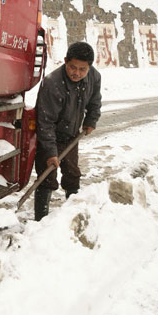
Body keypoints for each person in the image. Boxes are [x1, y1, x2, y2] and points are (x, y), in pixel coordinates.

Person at [34, 41, 102, 221]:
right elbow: (45, 122)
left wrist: (90, 121)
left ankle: (72, 216)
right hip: (49, 136)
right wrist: (50, 152)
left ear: (89, 67)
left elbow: (95, 102)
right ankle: (40, 220)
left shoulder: (94, 77)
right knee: (47, 176)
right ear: (65, 61)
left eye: (82, 69)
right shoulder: (52, 84)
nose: (77, 73)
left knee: (72, 174)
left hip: (71, 136)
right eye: (73, 67)